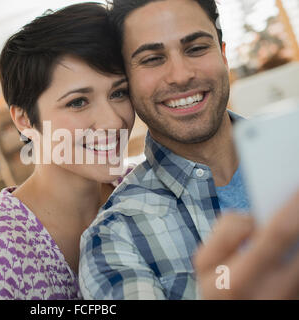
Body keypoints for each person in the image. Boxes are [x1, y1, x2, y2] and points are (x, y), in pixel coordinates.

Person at [79, 0, 299, 299]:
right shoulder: (115, 237)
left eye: (196, 48)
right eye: (152, 59)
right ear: (126, 83)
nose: (181, 75)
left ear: (223, 55)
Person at [0, 3, 135, 300]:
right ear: (24, 119)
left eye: (119, 93)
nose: (114, 121)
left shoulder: (141, 192)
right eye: (78, 102)